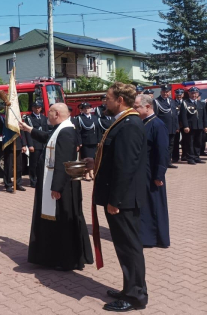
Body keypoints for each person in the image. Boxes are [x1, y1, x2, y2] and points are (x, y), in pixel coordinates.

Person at [85, 82, 148, 312]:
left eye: (108, 98)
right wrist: (95, 162)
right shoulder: (123, 121)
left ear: (120, 100)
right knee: (124, 247)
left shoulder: (130, 124)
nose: (105, 102)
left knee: (129, 248)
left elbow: (126, 167)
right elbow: (115, 159)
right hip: (121, 198)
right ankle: (129, 288)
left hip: (123, 201)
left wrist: (115, 201)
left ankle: (135, 297)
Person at [20, 103, 93, 271]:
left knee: (63, 221)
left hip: (63, 187)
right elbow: (47, 137)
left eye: (50, 113)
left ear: (57, 114)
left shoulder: (66, 132)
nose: (47, 116)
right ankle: (55, 256)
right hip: (60, 184)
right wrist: (29, 129)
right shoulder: (62, 129)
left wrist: (56, 187)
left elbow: (63, 162)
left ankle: (66, 259)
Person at [133, 95, 170, 248]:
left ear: (147, 107)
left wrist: (159, 174)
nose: (134, 109)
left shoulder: (157, 124)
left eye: (137, 107)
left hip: (152, 172)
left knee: (154, 204)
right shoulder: (143, 122)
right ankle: (145, 235)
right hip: (143, 171)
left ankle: (154, 238)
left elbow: (163, 152)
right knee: (145, 204)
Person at [24, 100, 50, 188]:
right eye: (35, 107)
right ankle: (33, 180)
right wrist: (30, 145)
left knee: (42, 163)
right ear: (32, 108)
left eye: (39, 107)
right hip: (34, 144)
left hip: (43, 144)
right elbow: (27, 132)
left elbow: (46, 131)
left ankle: (41, 179)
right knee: (33, 163)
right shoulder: (29, 118)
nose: (37, 109)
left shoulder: (44, 118)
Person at [180, 86, 207, 164]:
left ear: (198, 94)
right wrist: (185, 126)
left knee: (198, 142)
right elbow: (183, 116)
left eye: (195, 93)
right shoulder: (185, 103)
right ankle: (190, 158)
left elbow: (204, 116)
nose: (194, 95)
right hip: (190, 127)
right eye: (192, 93)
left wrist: (205, 126)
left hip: (199, 126)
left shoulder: (201, 103)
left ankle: (196, 157)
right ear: (189, 93)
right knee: (190, 143)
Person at [154, 85, 178, 168]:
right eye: (164, 91)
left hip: (172, 127)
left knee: (170, 146)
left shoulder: (172, 101)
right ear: (161, 92)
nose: (165, 93)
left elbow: (175, 115)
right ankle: (161, 162)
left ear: (170, 92)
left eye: (167, 92)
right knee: (162, 146)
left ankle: (168, 162)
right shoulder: (157, 101)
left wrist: (176, 126)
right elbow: (155, 116)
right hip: (163, 128)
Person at [76, 102, 101, 181]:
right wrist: (79, 142)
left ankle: (90, 172)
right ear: (82, 110)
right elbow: (78, 131)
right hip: (85, 141)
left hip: (94, 140)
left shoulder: (95, 117)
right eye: (85, 108)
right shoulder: (79, 118)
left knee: (93, 157)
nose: (87, 109)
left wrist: (99, 140)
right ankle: (88, 173)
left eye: (88, 108)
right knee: (87, 158)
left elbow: (98, 130)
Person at [172, 89, 184, 163]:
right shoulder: (172, 102)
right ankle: (175, 157)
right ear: (175, 95)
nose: (179, 96)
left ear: (183, 95)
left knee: (185, 141)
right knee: (175, 141)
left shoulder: (186, 102)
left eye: (180, 95)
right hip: (176, 124)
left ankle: (185, 156)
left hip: (184, 124)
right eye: (177, 95)